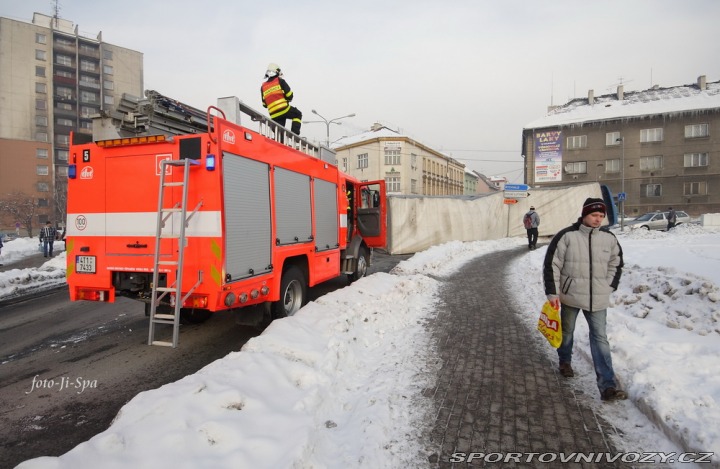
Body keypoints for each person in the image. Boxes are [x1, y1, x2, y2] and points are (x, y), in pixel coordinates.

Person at [543, 197, 627, 402]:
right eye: (594, 215)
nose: (598, 219)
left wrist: (608, 286)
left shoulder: (609, 238)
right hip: (571, 295)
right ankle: (565, 361)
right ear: (584, 215)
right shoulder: (567, 236)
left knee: (600, 339)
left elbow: (616, 264)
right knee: (567, 331)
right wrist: (553, 294)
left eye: (601, 216)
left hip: (597, 298)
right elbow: (551, 265)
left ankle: (607, 386)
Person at [260, 63, 303, 136]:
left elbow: (264, 105)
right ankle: (295, 135)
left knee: (279, 134)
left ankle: (280, 143)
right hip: (284, 109)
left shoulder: (263, 87)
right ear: (276, 72)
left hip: (274, 115)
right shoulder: (280, 81)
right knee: (298, 114)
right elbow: (290, 96)